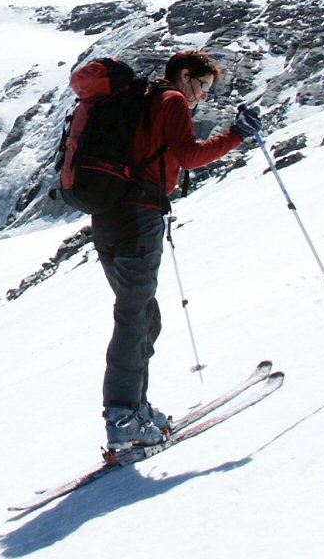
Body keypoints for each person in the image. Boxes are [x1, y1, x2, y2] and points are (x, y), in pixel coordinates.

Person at [93, 49, 261, 450]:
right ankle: (122, 418)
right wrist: (238, 135)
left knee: (145, 316)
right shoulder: (169, 100)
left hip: (108, 216)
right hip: (139, 217)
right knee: (135, 317)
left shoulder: (143, 101)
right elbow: (189, 156)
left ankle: (135, 406)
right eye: (202, 85)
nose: (202, 95)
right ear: (185, 76)